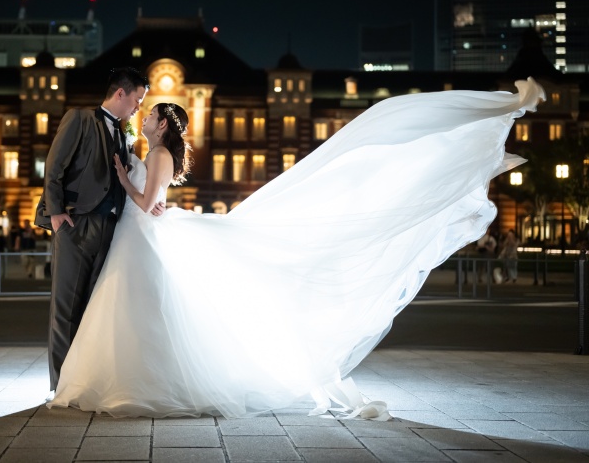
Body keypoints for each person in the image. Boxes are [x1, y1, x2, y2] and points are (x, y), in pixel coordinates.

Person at [48, 78, 546, 420]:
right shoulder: (145, 147)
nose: (143, 113)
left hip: (142, 233)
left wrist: (123, 180)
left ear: (163, 127)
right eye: (143, 106)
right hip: (132, 237)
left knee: (138, 312)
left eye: (150, 112)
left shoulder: (153, 152)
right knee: (138, 313)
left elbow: (151, 204)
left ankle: (137, 381)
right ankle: (132, 377)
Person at [36, 67, 162, 397]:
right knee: (65, 308)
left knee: (92, 310)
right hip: (75, 225)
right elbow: (54, 167)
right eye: (137, 100)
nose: (138, 107)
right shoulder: (79, 119)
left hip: (110, 230)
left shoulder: (123, 135)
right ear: (120, 93)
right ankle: (60, 385)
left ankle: (81, 381)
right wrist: (57, 212)